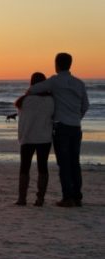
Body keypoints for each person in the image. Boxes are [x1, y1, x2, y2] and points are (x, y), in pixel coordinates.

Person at [28, 53, 89, 207]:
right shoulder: (79, 83)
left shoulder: (55, 81)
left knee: (64, 163)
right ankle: (77, 197)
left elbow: (34, 89)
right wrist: (77, 117)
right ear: (70, 64)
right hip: (76, 126)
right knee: (75, 162)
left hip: (61, 126)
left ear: (56, 64)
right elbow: (85, 105)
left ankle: (67, 197)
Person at [14, 72, 54, 206]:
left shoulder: (23, 100)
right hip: (44, 137)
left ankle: (22, 198)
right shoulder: (50, 100)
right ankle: (40, 199)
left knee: (24, 167)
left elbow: (23, 119)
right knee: (43, 167)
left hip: (28, 137)